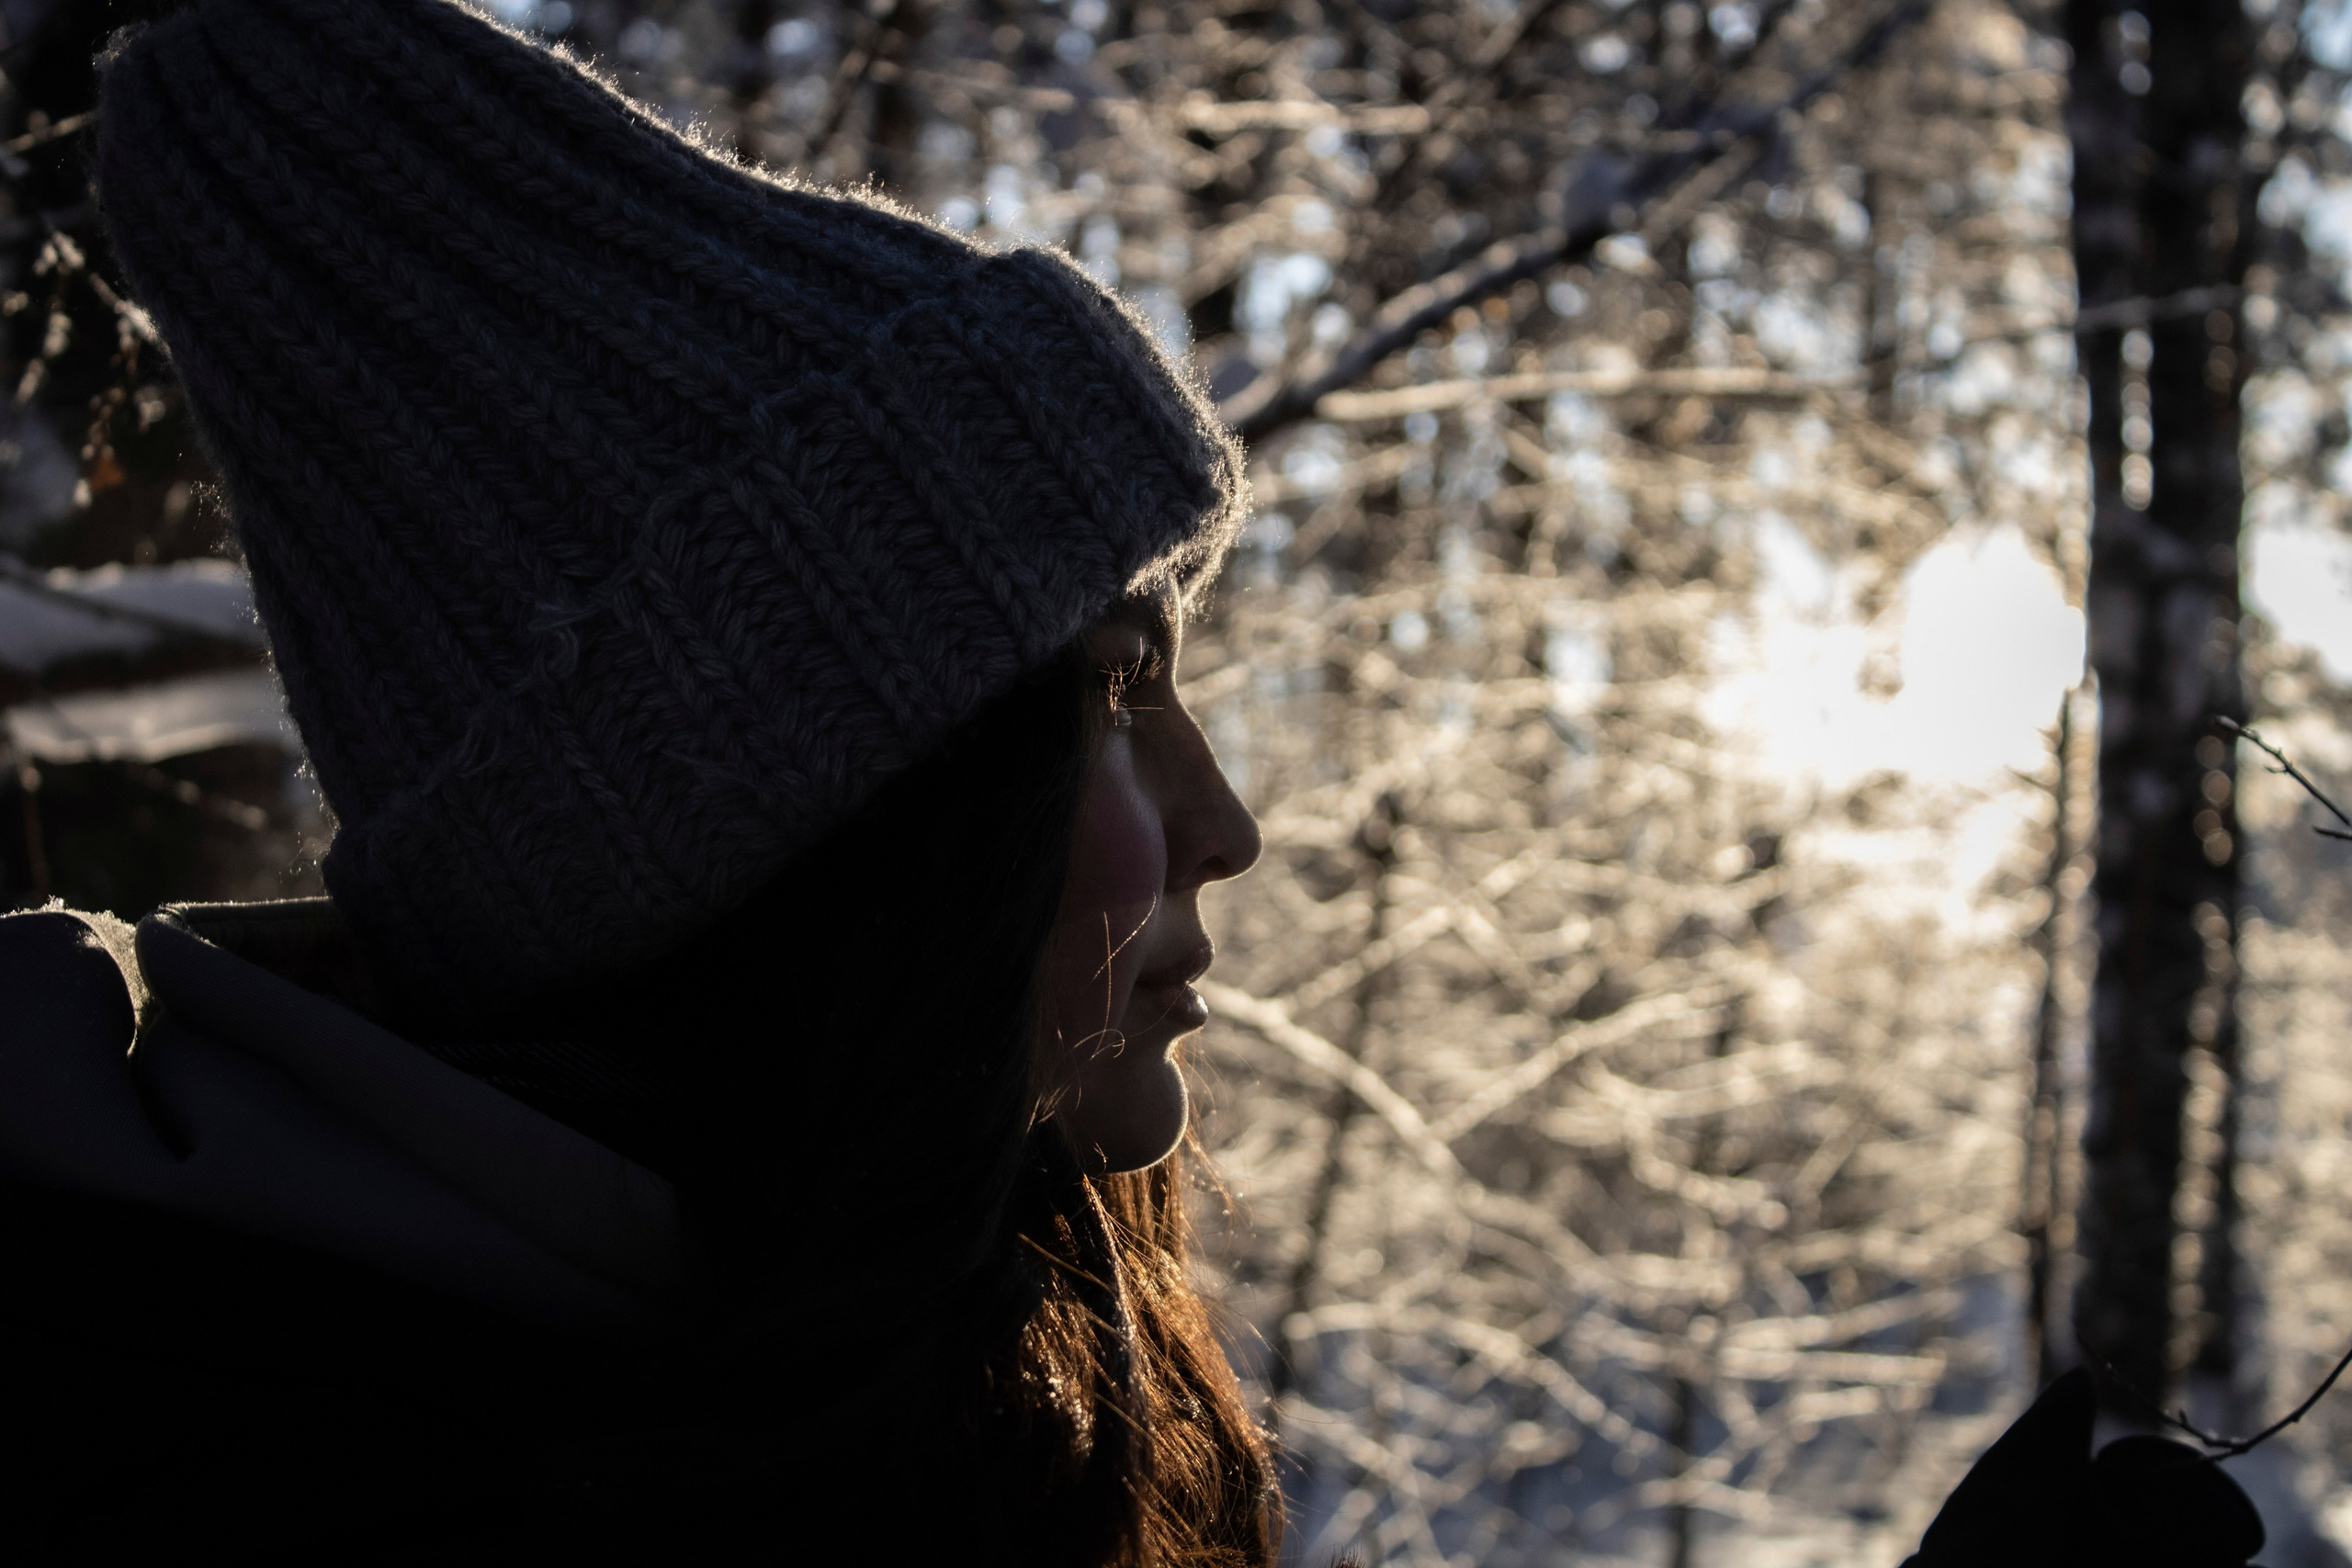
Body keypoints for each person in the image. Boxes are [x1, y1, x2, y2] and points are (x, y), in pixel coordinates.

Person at [0, 0, 1283, 1560]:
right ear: (804, 827)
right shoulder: (261, 1464)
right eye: (1116, 696)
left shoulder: (905, 1363)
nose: (1228, 828)